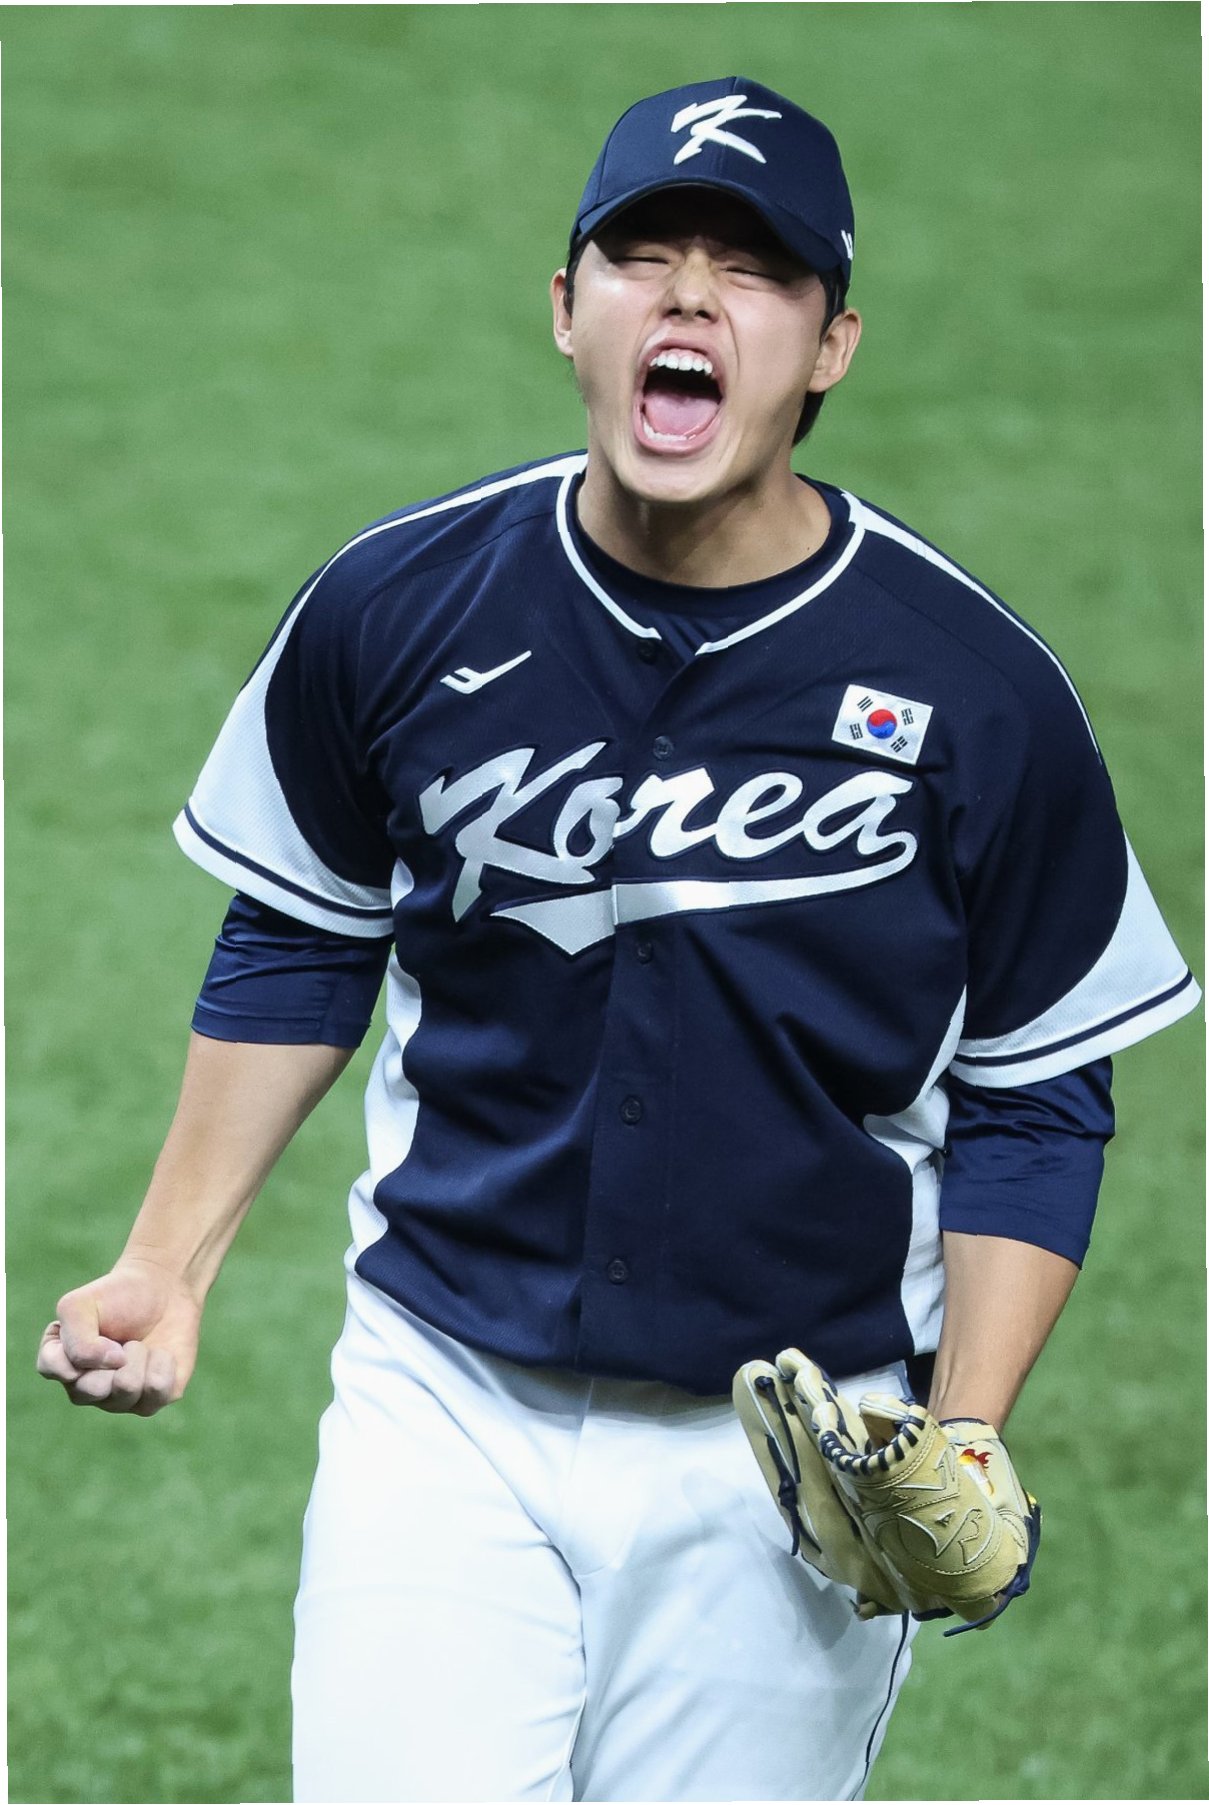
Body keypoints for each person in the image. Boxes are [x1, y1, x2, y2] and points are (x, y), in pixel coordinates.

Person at [38, 76, 1198, 1803]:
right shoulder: (400, 604)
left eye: (755, 270)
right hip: (444, 1402)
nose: (690, 298)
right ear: (565, 310)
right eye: (643, 256)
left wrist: (962, 1427)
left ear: (831, 345)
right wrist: (168, 1261)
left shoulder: (977, 694)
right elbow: (298, 934)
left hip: (790, 1458)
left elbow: (1036, 1094)